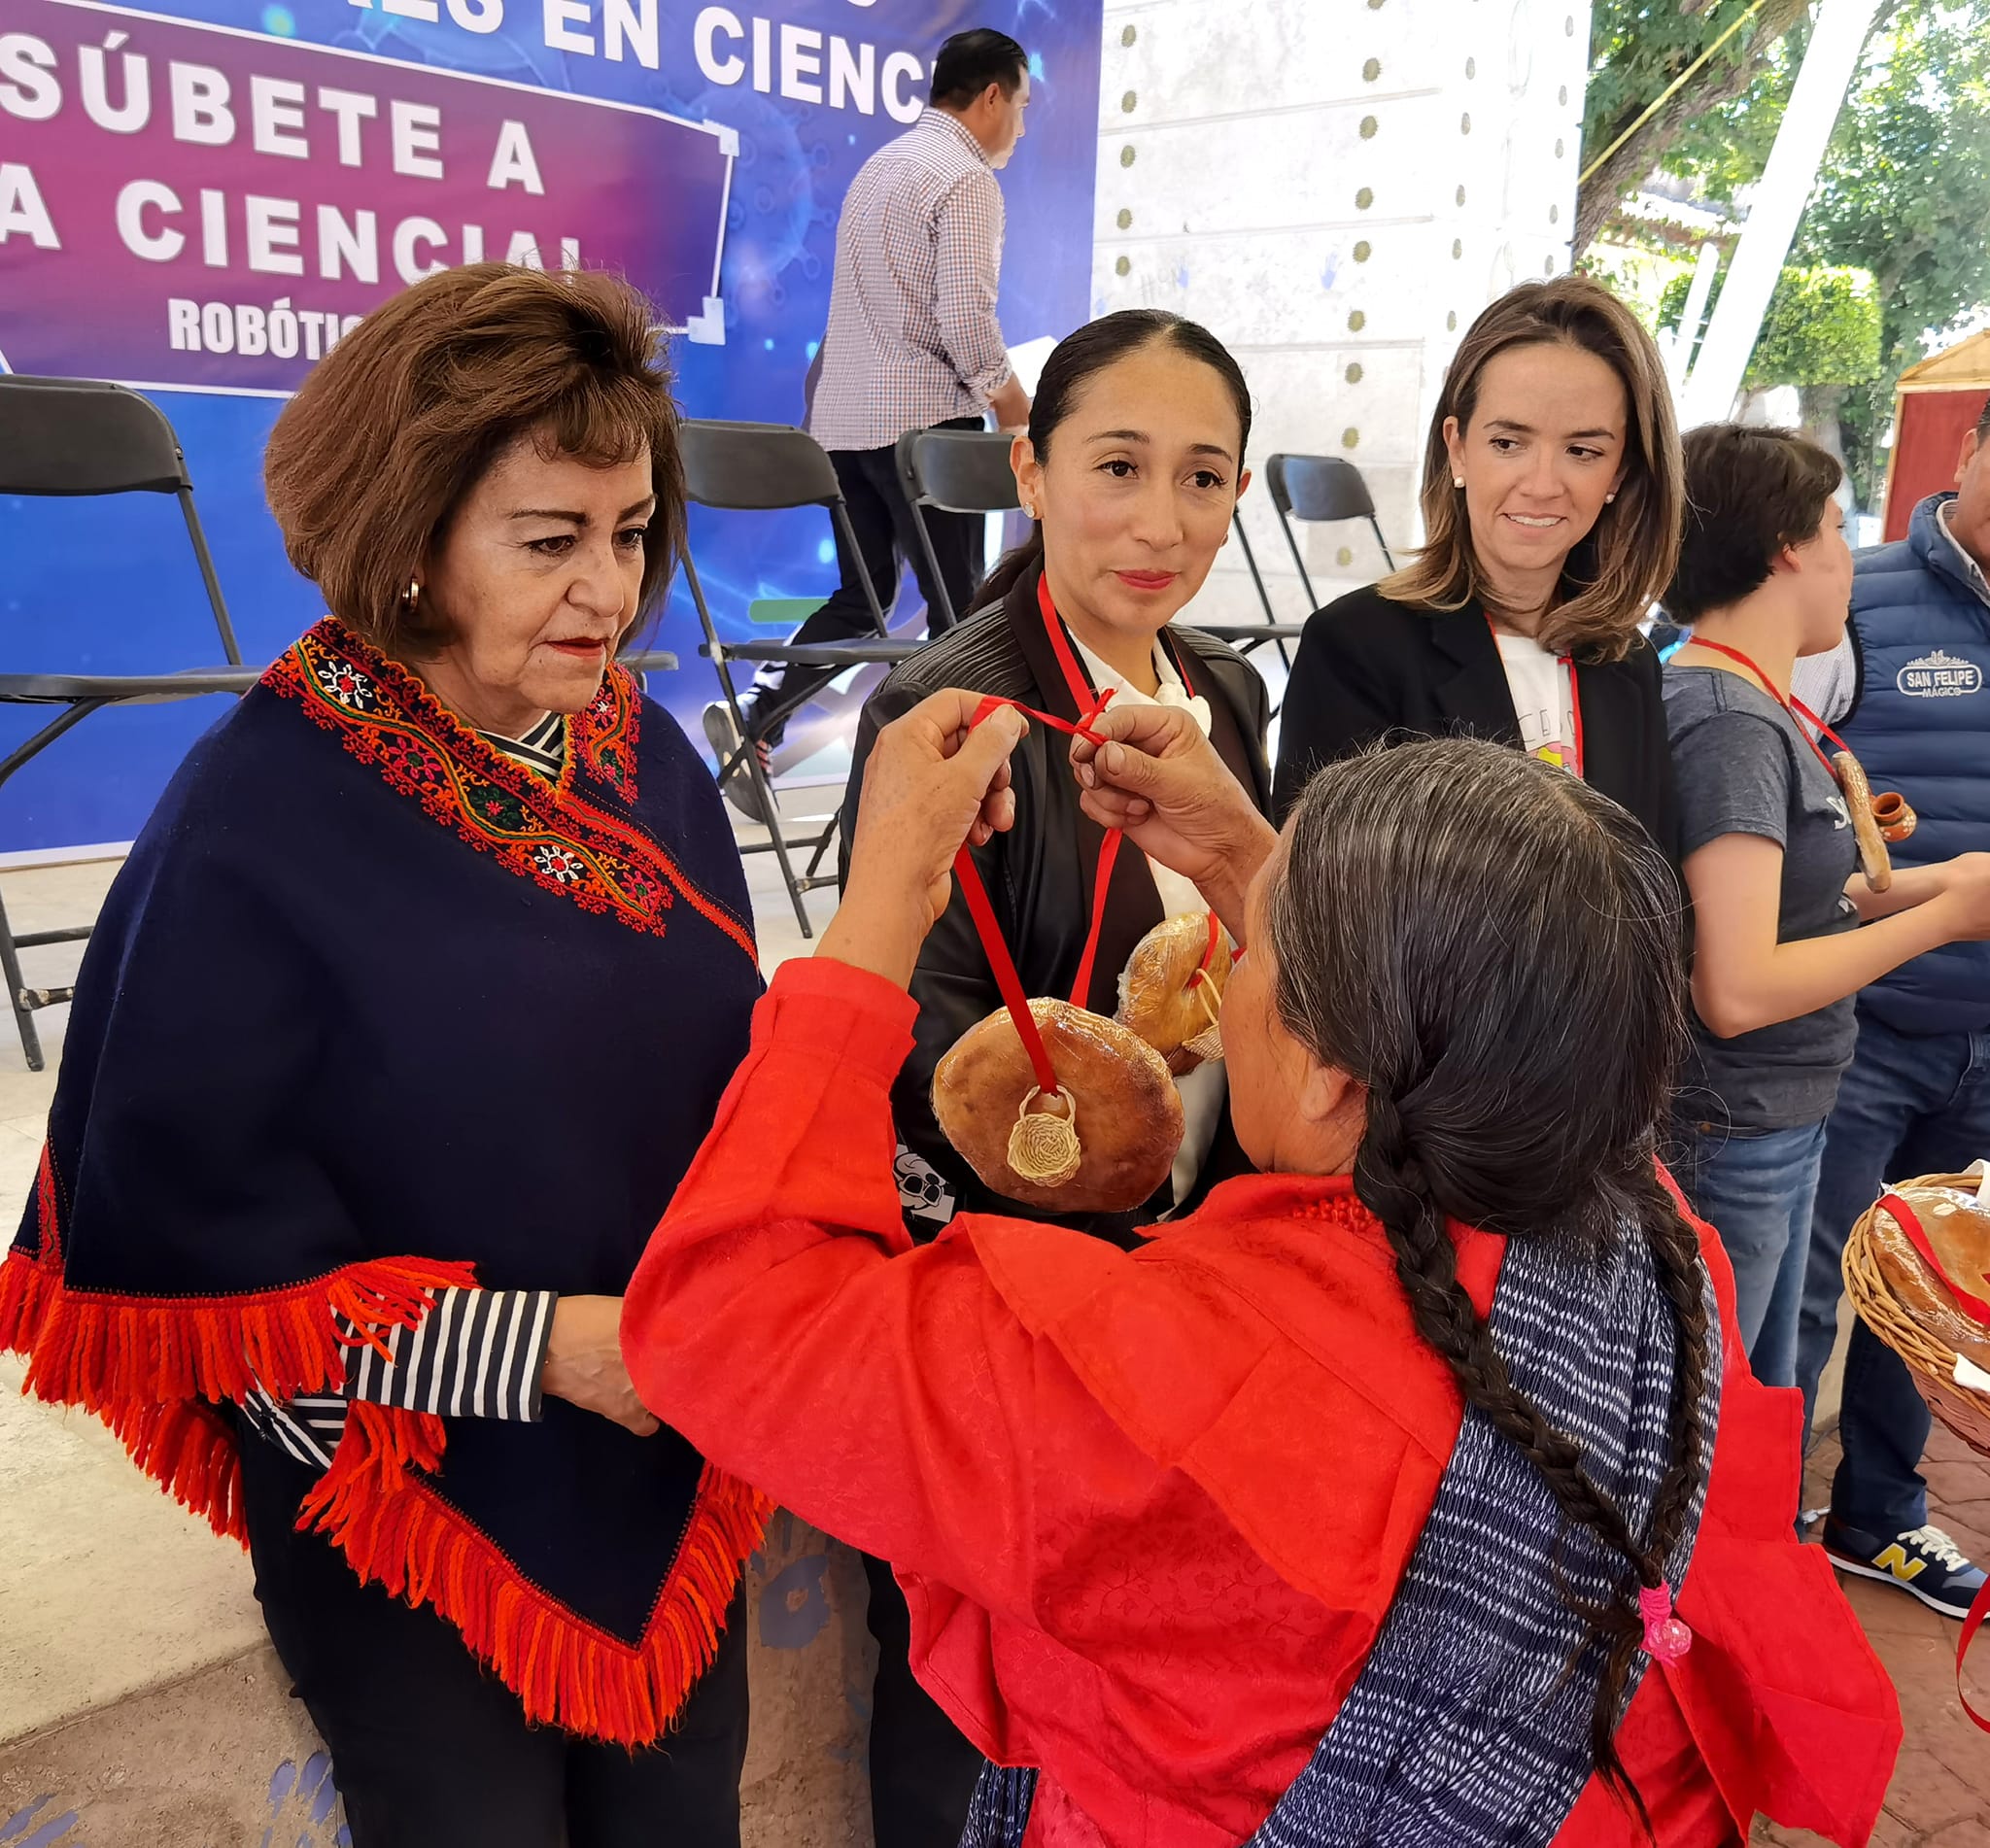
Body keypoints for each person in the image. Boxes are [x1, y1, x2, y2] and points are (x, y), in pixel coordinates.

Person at [623, 694, 1900, 1848]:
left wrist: (886, 889)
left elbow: (731, 1316)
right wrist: (1245, 858)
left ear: (1339, 1072)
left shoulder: (1163, 1389)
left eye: (1259, 953)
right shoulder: (1647, 1229)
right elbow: (1434, 1015)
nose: (1233, 972)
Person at [0, 265, 771, 1846]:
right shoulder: (251, 823)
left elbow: (734, 1085)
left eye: (628, 534)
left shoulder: (650, 757)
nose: (607, 591)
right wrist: (548, 1350)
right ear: (411, 544)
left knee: (684, 1817)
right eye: (548, 540)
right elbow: (197, 1292)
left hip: (667, 1440)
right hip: (404, 1486)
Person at [828, 306, 1269, 1848]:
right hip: (1018, 1290)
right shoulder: (954, 710)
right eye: (1118, 466)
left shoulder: (1226, 684)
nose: (1162, 521)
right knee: (968, 1667)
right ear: (1027, 463)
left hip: (1196, 1259)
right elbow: (917, 1054)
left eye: (1204, 477)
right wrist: (1087, 1272)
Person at [1663, 425, 1990, 1390]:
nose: (1849, 559)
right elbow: (1735, 984)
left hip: (1769, 1115)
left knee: (1758, 1399)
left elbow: (1771, 900)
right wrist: (1935, 921)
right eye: (1835, 531)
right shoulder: (1726, 721)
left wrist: (1937, 880)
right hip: (1738, 1125)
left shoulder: (1738, 701)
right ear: (1785, 549)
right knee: (1722, 1415)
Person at [703, 26, 1035, 811]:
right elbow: (964, 317)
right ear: (990, 97)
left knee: (867, 596)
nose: (1020, 126)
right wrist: (1020, 411)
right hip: (925, 430)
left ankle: (759, 712)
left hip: (846, 427)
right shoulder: (963, 178)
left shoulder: (881, 166)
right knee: (960, 617)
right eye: (1020, 106)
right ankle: (926, 788)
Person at [1788, 393, 1990, 1618]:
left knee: (1935, 1299)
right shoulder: (1845, 600)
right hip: (1860, 1031)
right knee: (1800, 1297)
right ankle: (1748, 1537)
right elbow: (1780, 802)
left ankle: (1878, 1518)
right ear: (1969, 451)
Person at [1273, 275, 1682, 860]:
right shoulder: (1356, 648)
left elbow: (1658, 893)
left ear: (1619, 472)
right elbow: (1315, 904)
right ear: (1457, 446)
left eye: (1583, 451)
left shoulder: (1629, 664)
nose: (1542, 485)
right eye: (1508, 443)